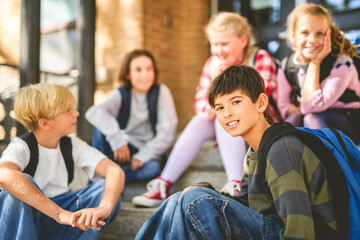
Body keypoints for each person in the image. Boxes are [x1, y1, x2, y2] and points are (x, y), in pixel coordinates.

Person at [135, 65, 340, 240]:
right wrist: (203, 190)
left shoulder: (281, 150)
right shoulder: (254, 152)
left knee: (195, 201)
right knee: (180, 198)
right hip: (269, 226)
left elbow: (300, 231)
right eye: (220, 107)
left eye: (235, 102)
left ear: (261, 103)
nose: (227, 114)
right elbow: (245, 204)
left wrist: (200, 196)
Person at [132, 12, 280, 207]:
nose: (218, 49)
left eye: (224, 44)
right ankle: (163, 184)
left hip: (260, 124)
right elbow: (200, 102)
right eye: (215, 44)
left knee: (225, 112)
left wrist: (219, 107)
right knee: (201, 120)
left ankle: (237, 184)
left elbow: (259, 99)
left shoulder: (260, 58)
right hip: (228, 126)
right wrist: (213, 109)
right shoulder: (213, 64)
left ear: (243, 40)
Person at [0, 83, 124, 240]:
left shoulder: (72, 145)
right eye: (68, 110)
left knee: (103, 188)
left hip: (66, 219)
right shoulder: (21, 146)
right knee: (14, 188)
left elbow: (114, 171)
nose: (77, 113)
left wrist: (104, 208)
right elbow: (4, 175)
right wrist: (59, 214)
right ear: (45, 123)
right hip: (31, 220)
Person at [86, 49, 178, 183]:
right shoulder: (121, 93)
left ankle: (112, 179)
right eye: (138, 70)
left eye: (149, 69)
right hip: (119, 150)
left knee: (152, 168)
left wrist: (143, 156)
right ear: (128, 74)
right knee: (100, 128)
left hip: (143, 152)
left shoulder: (161, 92)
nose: (145, 75)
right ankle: (102, 176)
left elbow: (167, 133)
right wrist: (117, 139)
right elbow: (94, 113)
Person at [277, 3, 360, 143]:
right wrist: (299, 111)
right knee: (289, 125)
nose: (312, 40)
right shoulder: (287, 65)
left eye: (319, 33)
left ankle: (332, 164)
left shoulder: (341, 63)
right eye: (305, 33)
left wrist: (316, 63)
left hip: (350, 121)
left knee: (311, 118)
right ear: (292, 35)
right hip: (311, 119)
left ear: (329, 34)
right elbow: (284, 106)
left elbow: (313, 107)